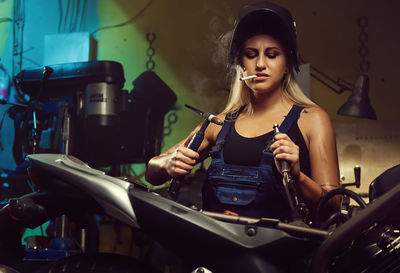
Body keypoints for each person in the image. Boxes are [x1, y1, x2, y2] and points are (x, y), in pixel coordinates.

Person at [145, 2, 340, 222]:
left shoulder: (312, 120)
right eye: (251, 54)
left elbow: (333, 207)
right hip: (219, 251)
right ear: (241, 65)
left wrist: (296, 177)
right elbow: (152, 172)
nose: (260, 64)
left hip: (283, 254)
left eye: (272, 54)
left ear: (287, 64)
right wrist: (167, 164)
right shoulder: (219, 125)